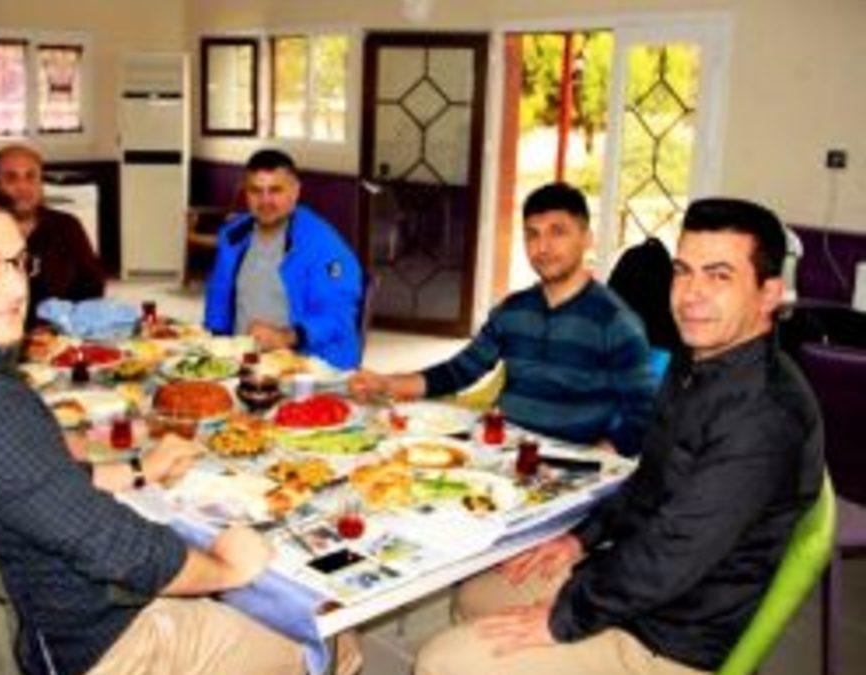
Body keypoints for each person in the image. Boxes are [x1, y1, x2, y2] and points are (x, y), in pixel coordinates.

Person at [0, 184, 305, 675]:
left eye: (17, 262)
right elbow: (121, 551)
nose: (15, 288)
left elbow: (30, 481)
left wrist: (138, 470)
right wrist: (226, 569)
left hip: (24, 600)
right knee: (317, 636)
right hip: (82, 641)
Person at [414, 197, 824, 675]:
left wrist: (564, 618)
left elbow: (672, 554)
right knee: (475, 596)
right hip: (637, 585)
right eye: (683, 271)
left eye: (719, 276)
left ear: (769, 294)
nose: (691, 295)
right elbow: (650, 479)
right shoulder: (697, 362)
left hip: (669, 638)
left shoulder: (765, 415)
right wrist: (580, 540)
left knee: (440, 663)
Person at [350, 182, 655, 456]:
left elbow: (645, 412)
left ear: (586, 239)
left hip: (573, 460)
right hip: (504, 450)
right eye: (532, 234)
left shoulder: (615, 322)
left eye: (557, 232)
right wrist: (386, 383)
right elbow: (458, 372)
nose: (543, 247)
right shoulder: (513, 311)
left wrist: (600, 457)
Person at [204, 149, 364, 369]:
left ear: (295, 191)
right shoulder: (233, 236)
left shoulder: (325, 246)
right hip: (243, 361)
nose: (265, 201)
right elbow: (218, 298)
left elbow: (338, 316)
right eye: (256, 191)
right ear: (246, 193)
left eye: (275, 190)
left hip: (307, 366)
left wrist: (285, 337)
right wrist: (215, 347)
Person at [0, 144, 106, 321]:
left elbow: (92, 289)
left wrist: (64, 325)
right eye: (11, 178)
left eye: (31, 177)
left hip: (56, 332)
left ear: (41, 183)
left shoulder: (67, 227)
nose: (22, 187)